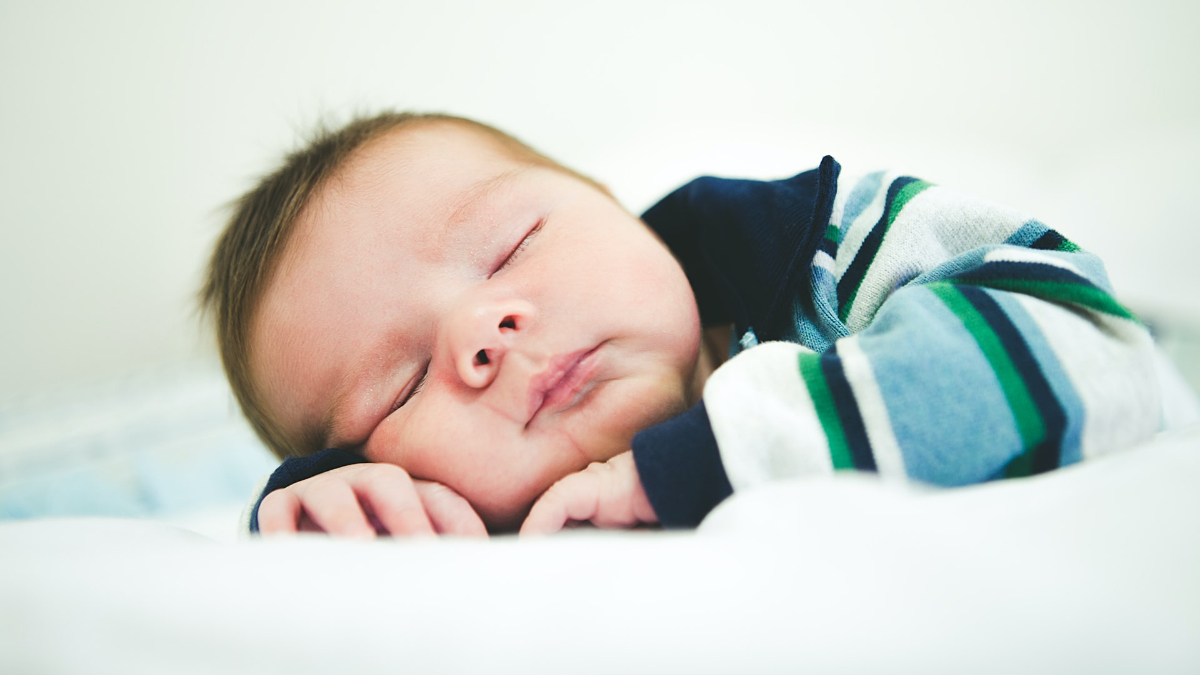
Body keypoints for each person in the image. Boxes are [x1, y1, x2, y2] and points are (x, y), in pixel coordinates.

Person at [201, 111, 1161, 538]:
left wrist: (709, 456)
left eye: (511, 247)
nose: (483, 332)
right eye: (402, 385)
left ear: (616, 206)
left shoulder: (831, 247)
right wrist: (326, 512)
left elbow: (1088, 345)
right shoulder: (483, 513)